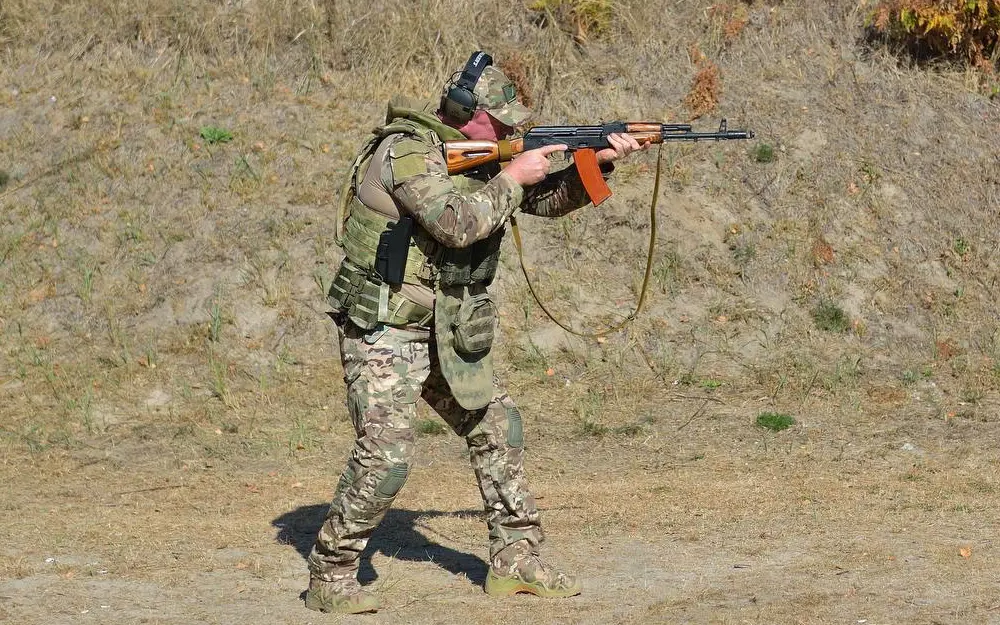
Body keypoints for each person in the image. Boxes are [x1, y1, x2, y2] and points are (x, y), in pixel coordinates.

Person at [305, 50, 645, 614]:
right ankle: (331, 571)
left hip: (444, 324)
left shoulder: (483, 160)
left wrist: (598, 162)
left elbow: (545, 198)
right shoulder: (407, 153)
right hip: (384, 326)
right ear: (464, 111)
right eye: (499, 117)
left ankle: (516, 559)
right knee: (386, 456)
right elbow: (457, 224)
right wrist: (513, 175)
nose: (512, 127)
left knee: (497, 425)